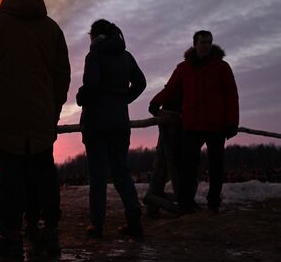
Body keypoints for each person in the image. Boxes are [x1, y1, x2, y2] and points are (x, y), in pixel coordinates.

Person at [0, 0, 70, 257]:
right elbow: (62, 73)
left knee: (11, 173)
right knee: (43, 171)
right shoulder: (52, 29)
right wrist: (53, 108)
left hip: (6, 114)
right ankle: (48, 227)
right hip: (41, 114)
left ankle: (11, 233)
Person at [149, 30, 239, 214]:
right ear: (195, 44)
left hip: (216, 125)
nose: (206, 45)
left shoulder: (222, 67)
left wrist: (232, 123)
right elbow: (171, 88)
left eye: (209, 42)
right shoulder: (184, 68)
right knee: (187, 166)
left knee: (216, 166)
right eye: (203, 42)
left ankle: (213, 203)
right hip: (192, 124)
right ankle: (186, 202)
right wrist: (156, 101)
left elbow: (231, 96)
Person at [76, 19, 146, 241]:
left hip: (97, 121)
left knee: (98, 175)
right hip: (119, 121)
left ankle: (97, 225)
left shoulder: (94, 55)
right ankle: (134, 222)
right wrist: (122, 100)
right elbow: (141, 83)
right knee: (121, 172)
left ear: (94, 36)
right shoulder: (126, 56)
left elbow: (92, 85)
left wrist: (81, 97)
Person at [143, 92, 183, 217]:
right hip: (180, 120)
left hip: (175, 121)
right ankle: (184, 199)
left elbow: (171, 88)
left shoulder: (181, 78)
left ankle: (182, 201)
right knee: (169, 163)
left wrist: (154, 104)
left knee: (167, 162)